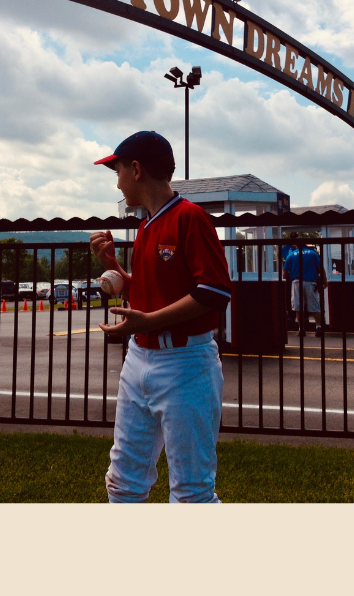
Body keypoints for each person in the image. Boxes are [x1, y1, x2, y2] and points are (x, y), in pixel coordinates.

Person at [90, 131, 231, 503]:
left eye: (117, 170)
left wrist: (149, 323)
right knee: (123, 480)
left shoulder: (191, 218)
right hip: (140, 358)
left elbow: (214, 293)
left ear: (135, 170)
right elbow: (151, 293)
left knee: (192, 492)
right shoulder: (146, 226)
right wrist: (115, 269)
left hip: (186, 363)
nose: (117, 181)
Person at [283, 242, 326, 337]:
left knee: (298, 306)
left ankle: (301, 329)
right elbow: (320, 268)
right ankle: (318, 327)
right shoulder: (312, 253)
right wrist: (324, 280)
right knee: (314, 305)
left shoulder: (291, 255)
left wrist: (284, 283)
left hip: (296, 282)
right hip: (310, 281)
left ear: (296, 245)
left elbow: (285, 272)